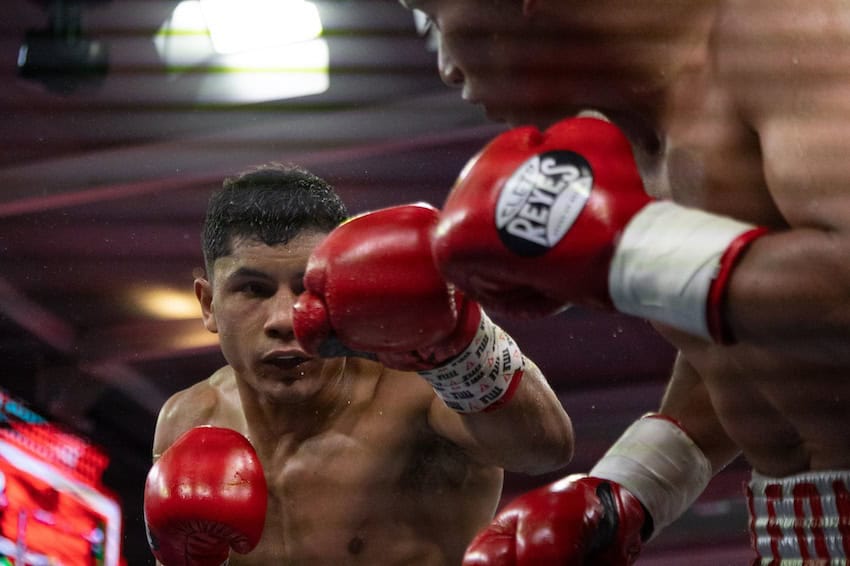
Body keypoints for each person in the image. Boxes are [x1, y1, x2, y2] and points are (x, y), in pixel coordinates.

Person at [396, 1, 850, 564]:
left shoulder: (792, 30)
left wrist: (625, 251)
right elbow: (747, 340)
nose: (446, 67)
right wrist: (631, 491)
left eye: (433, 18)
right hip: (796, 534)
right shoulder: (627, 128)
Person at [142, 162, 575, 565]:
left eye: (306, 287)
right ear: (207, 304)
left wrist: (462, 348)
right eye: (253, 290)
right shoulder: (190, 419)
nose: (283, 320)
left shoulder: (420, 390)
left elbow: (546, 447)